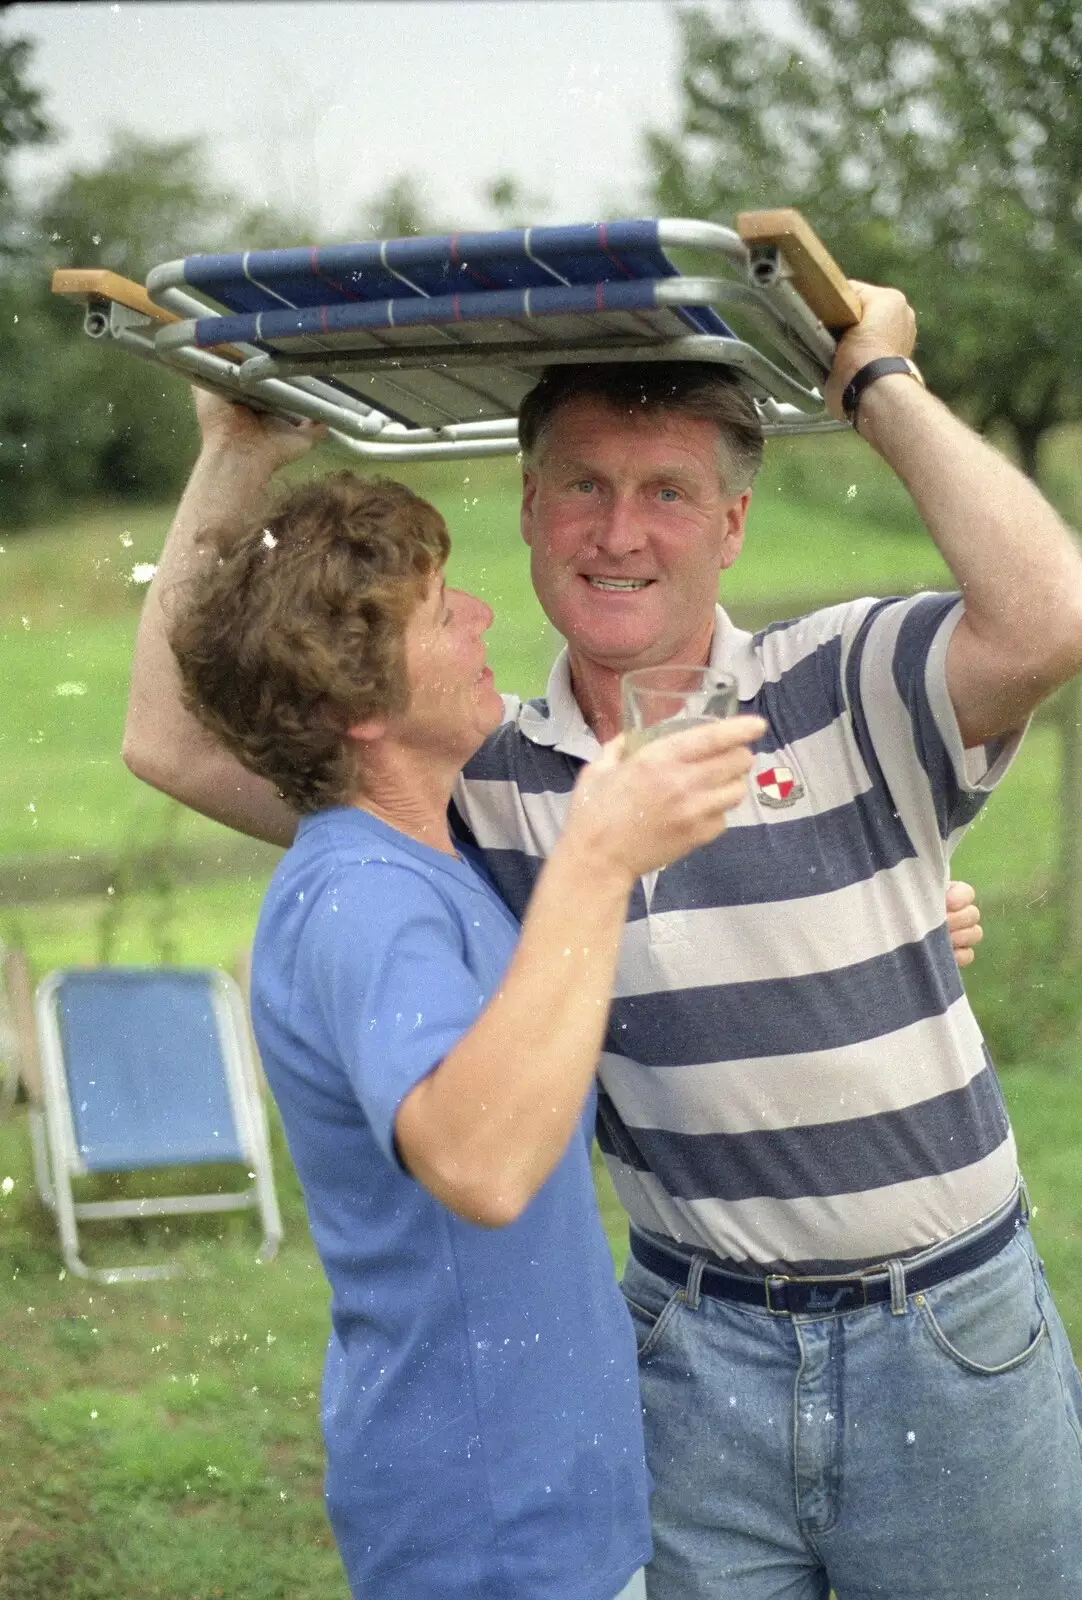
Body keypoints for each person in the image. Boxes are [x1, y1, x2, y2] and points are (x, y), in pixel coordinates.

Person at [122, 274, 1082, 1598]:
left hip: (948, 1336)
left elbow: (1052, 616)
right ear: (527, 509)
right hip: (690, 1362)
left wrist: (876, 384)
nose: (618, 532)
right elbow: (177, 739)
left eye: (668, 491)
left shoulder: (846, 677)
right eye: (581, 485)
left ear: (734, 523)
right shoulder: (471, 784)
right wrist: (234, 456)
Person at [164, 460, 764, 1600]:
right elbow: (480, 1166)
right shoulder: (363, 900)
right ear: (364, 707)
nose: (484, 614)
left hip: (538, 1499)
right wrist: (597, 853)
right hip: (486, 1525)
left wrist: (234, 452)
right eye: (445, 612)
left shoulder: (423, 859)